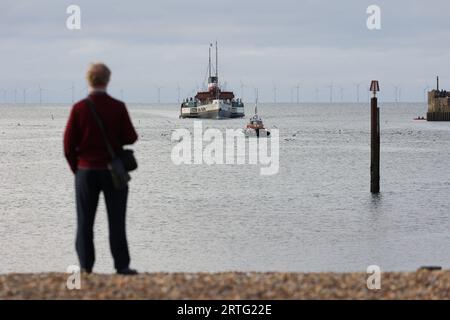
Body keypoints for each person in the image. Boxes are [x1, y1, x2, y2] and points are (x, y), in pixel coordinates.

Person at [64, 63, 138, 275]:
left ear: (88, 80)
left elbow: (68, 145)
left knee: (85, 222)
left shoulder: (79, 108)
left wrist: (77, 169)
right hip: (113, 171)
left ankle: (86, 267)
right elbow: (131, 137)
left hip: (86, 172)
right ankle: (121, 266)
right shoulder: (117, 106)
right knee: (116, 221)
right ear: (108, 80)